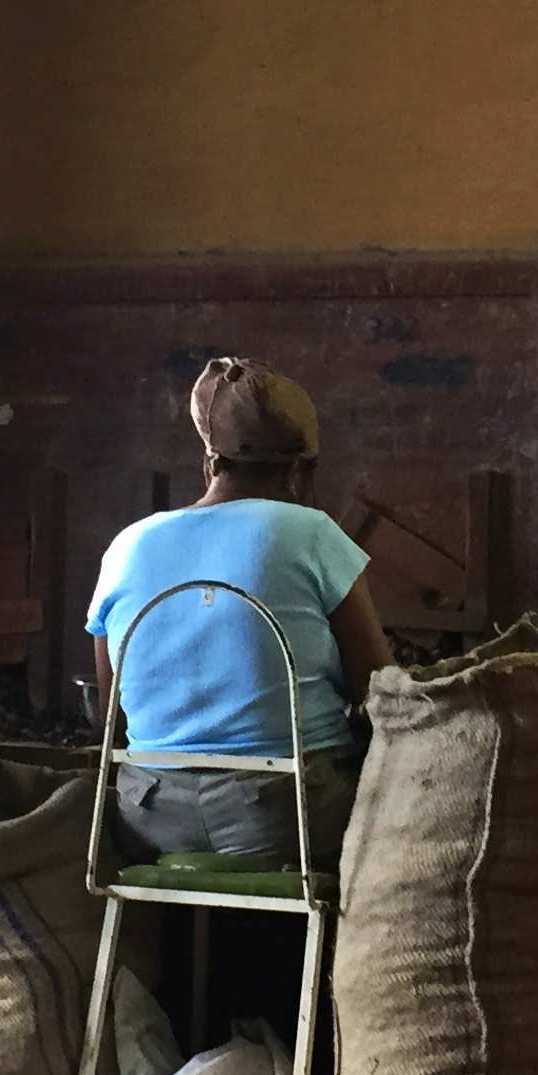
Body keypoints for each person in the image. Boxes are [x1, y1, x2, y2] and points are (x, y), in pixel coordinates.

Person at [86, 358, 392, 871]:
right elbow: (382, 691)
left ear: (210, 462)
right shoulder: (312, 533)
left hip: (148, 814)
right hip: (286, 816)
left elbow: (109, 708)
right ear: (302, 468)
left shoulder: (127, 545)